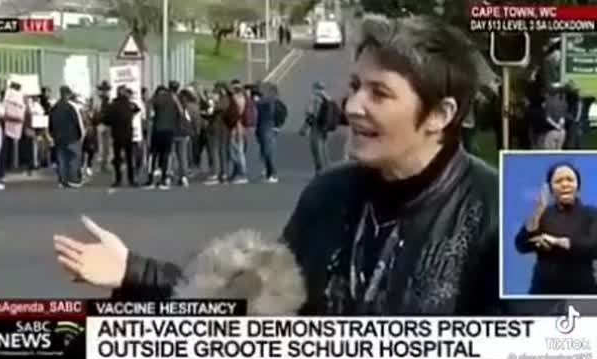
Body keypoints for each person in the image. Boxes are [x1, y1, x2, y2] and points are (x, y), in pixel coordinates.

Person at [53, 16, 563, 315]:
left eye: (379, 93)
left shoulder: (509, 216)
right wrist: (136, 271)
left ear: (440, 115)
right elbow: (260, 304)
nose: (353, 106)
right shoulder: (327, 196)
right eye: (355, 86)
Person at [515, 162, 597, 295]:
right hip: (543, 293)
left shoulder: (591, 214)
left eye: (570, 180)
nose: (565, 184)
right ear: (551, 189)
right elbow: (521, 245)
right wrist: (537, 214)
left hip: (582, 292)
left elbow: (593, 246)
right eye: (558, 181)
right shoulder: (542, 214)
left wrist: (557, 242)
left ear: (578, 186)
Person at [48, 86, 84, 188]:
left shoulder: (54, 108)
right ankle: (72, 179)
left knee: (62, 159)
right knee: (74, 158)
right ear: (67, 94)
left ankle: (63, 181)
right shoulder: (71, 107)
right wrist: (80, 135)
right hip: (72, 137)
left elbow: (50, 124)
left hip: (58, 138)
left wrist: (52, 134)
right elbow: (76, 122)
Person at [105, 86, 140, 188]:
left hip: (116, 134)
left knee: (117, 158)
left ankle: (118, 179)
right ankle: (131, 179)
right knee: (129, 158)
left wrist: (112, 123)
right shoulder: (129, 104)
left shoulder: (113, 105)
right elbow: (137, 109)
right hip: (128, 134)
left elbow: (106, 119)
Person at [145, 86, 177, 189]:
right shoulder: (172, 99)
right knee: (166, 155)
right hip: (169, 130)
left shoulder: (155, 99)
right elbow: (179, 113)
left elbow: (149, 114)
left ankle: (150, 179)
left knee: (153, 155)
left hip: (157, 130)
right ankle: (164, 179)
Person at [300, 81, 331, 175]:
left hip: (316, 126)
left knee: (316, 149)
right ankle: (327, 169)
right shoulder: (328, 98)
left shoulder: (315, 98)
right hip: (325, 127)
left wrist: (304, 127)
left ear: (315, 88)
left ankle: (320, 171)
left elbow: (312, 114)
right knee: (324, 148)